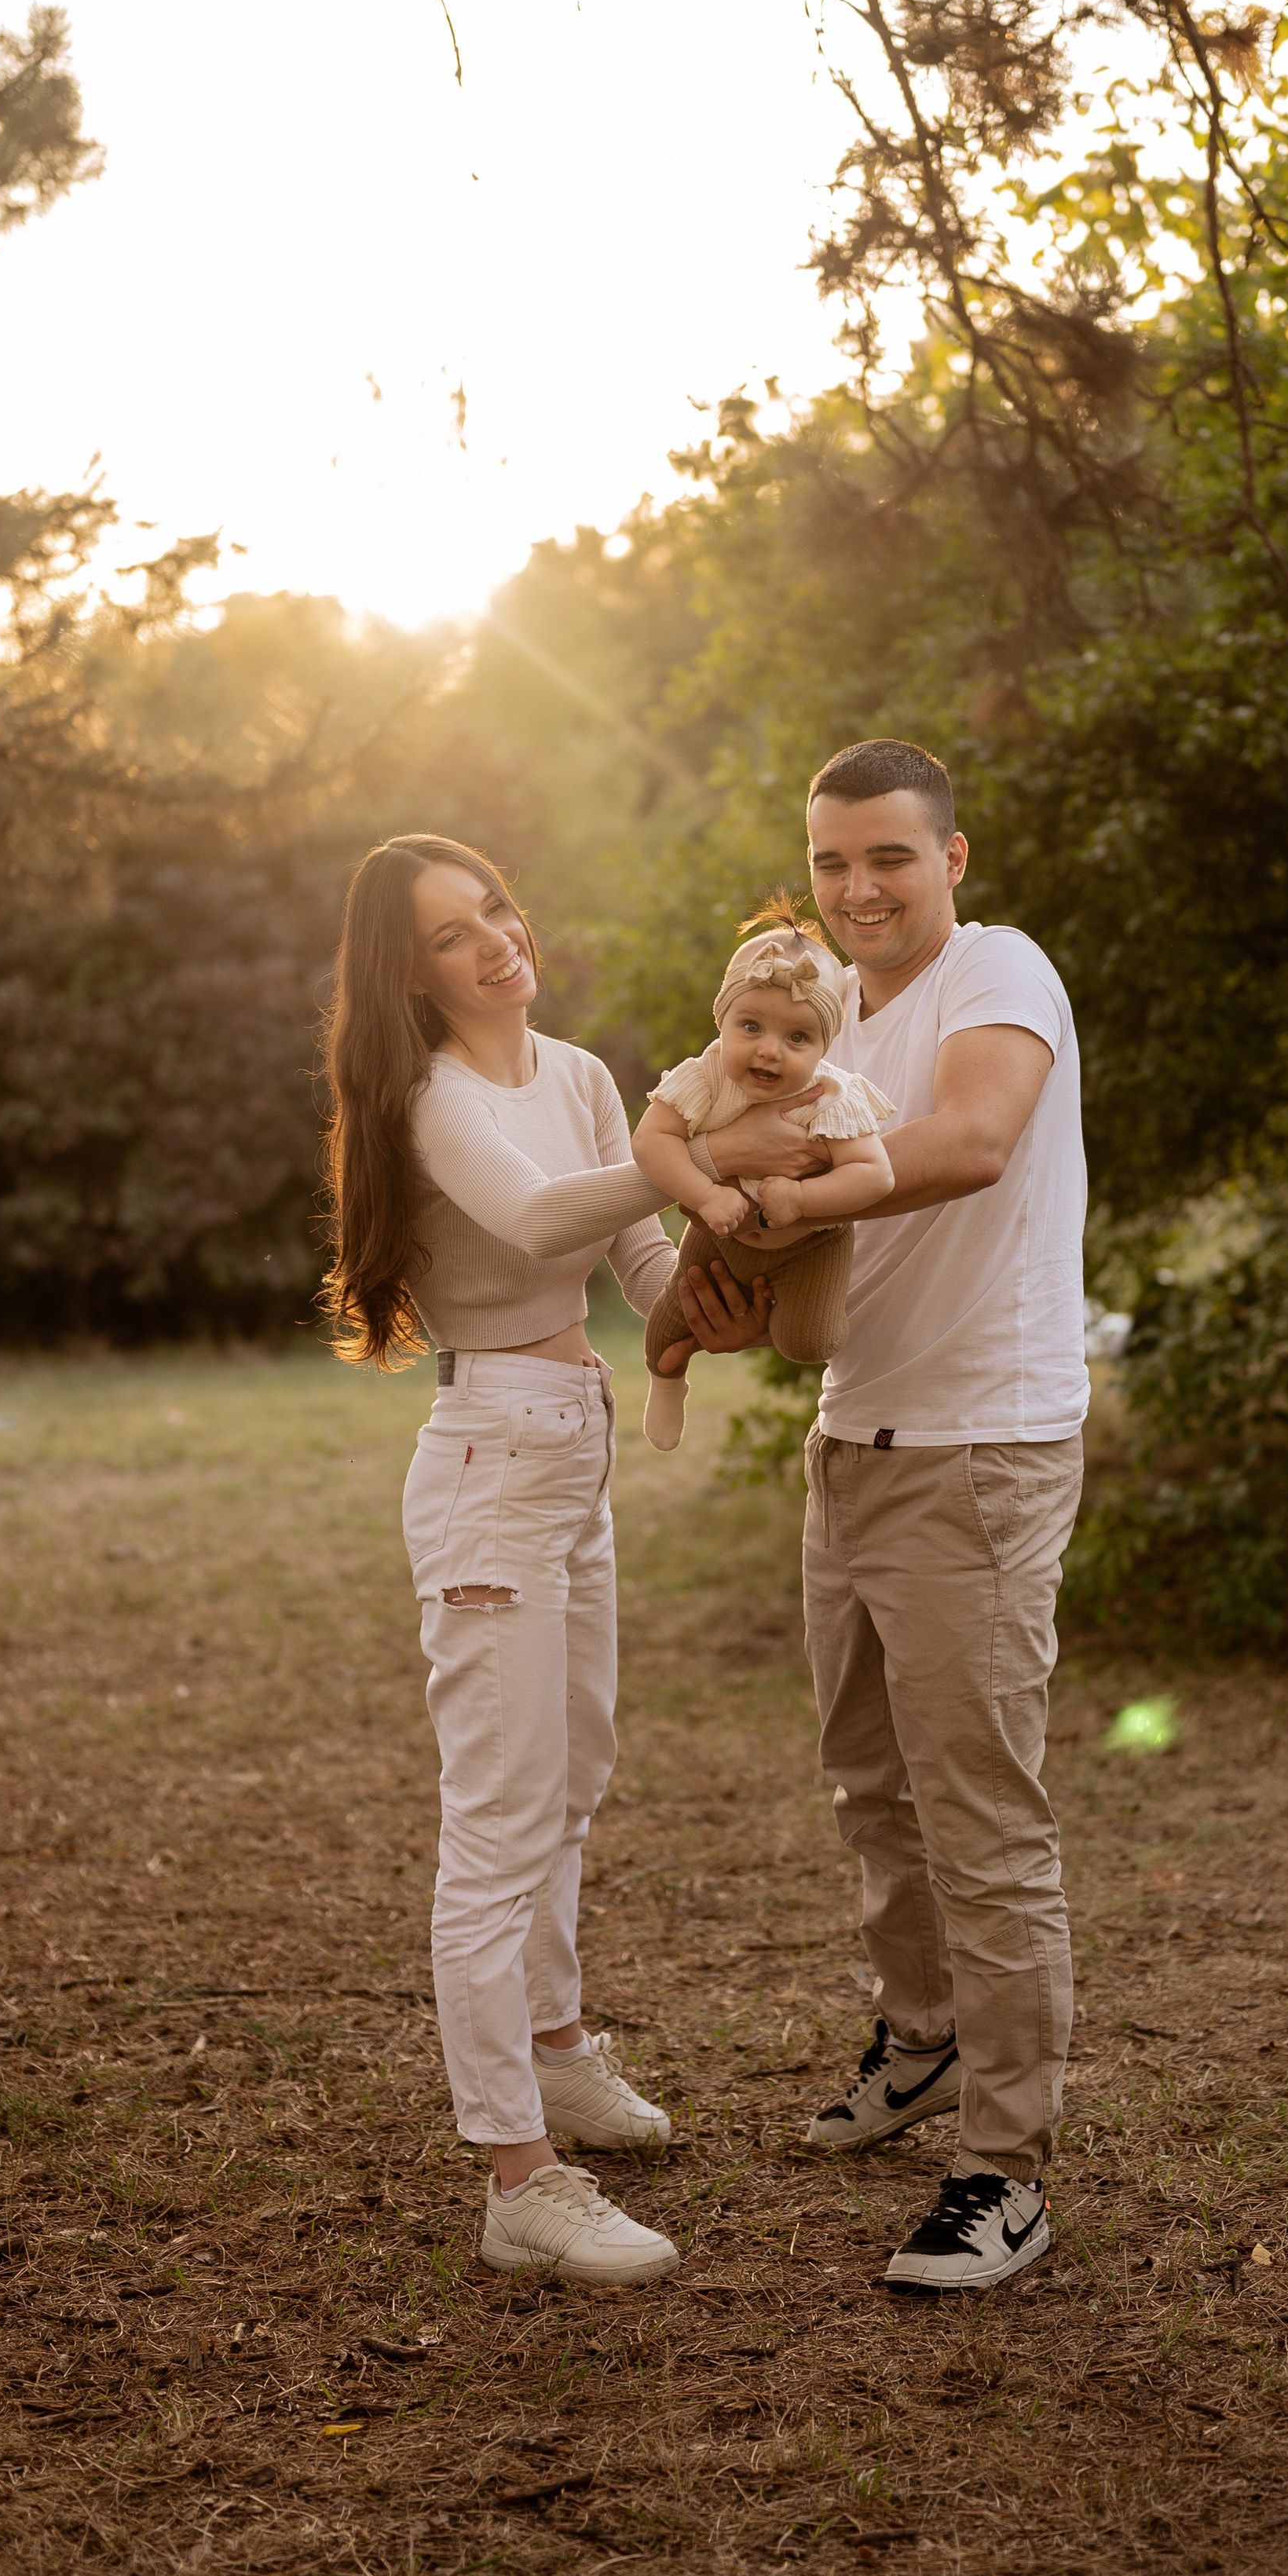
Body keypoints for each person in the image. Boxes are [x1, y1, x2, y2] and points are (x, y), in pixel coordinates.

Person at [320, 831, 756, 2289]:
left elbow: (636, 1276)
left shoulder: (572, 1074)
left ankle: (559, 2051)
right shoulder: (435, 1098)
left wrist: (742, 1255)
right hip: (491, 1458)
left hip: (573, 1436)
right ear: (409, 972)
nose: (496, 939)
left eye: (496, 906)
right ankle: (518, 2175)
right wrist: (686, 1153)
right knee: (500, 1822)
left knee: (576, 1768)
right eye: (452, 933)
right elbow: (541, 1218)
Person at [686, 742, 1088, 2292]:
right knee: (867, 1782)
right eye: (833, 862)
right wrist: (737, 1217)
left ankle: (1005, 2170)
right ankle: (920, 2040)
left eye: (890, 860)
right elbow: (717, 1142)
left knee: (978, 1816)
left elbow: (971, 1140)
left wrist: (782, 1191)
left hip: (978, 1450)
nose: (859, 889)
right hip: (851, 1437)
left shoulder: (1000, 973)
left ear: (952, 861)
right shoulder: (818, 1008)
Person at [631, 898, 894, 1452]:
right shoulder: (704, 1076)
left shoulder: (831, 1095)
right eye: (750, 1026)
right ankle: (667, 1383)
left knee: (811, 1343)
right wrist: (703, 1193)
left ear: (826, 1047)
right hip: (719, 1232)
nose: (769, 1052)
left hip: (808, 1244)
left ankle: (781, 1311)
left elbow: (874, 1175)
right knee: (664, 1332)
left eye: (798, 1038)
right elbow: (650, 1142)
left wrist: (802, 1197)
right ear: (721, 1020)